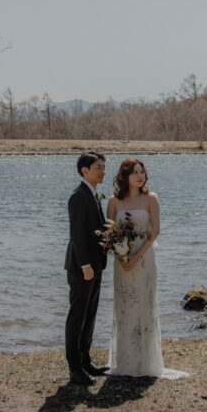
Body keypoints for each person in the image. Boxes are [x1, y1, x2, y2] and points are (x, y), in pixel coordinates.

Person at [107, 157, 187, 379]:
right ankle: (125, 361)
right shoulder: (114, 201)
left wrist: (136, 256)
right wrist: (122, 255)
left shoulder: (151, 198)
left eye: (142, 172)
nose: (140, 176)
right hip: (122, 261)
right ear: (125, 176)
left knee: (144, 304)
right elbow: (110, 233)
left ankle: (146, 363)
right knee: (125, 304)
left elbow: (155, 232)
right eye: (135, 172)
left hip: (144, 258)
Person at [64, 151, 110, 385]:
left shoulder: (93, 195)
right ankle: (75, 369)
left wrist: (102, 260)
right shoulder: (78, 196)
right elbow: (77, 235)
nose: (103, 171)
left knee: (90, 315)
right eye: (98, 167)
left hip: (95, 265)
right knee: (77, 317)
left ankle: (86, 361)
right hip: (82, 266)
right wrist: (85, 264)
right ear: (85, 170)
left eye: (103, 167)